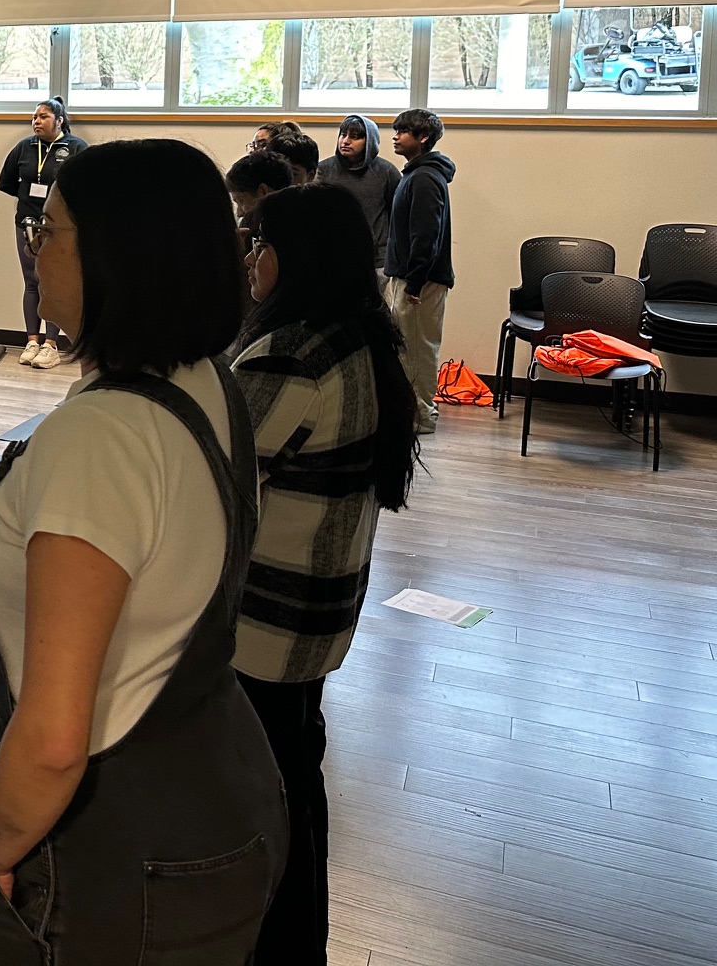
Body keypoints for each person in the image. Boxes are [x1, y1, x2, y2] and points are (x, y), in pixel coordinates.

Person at [0, 139, 285, 965]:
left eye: (53, 229)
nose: (36, 245)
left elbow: (55, 736)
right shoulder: (205, 377)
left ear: (120, 254)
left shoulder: (103, 437)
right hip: (226, 785)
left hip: (124, 842)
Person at [231, 184, 418, 966]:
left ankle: (273, 943)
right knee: (297, 774)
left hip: (265, 618)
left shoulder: (292, 357)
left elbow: (222, 481)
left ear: (291, 257)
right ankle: (300, 941)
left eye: (259, 243)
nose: (250, 259)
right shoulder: (365, 337)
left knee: (262, 792)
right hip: (323, 604)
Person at [0, 98, 86, 369]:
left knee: (53, 282)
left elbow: (85, 186)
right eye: (34, 117)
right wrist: (30, 201)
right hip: (26, 222)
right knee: (31, 281)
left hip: (58, 226)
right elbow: (6, 182)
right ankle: (32, 341)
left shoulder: (75, 148)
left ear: (59, 121)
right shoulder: (24, 147)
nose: (36, 121)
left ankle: (51, 345)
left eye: (43, 117)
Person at [383, 109, 456, 435]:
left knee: (417, 348)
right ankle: (411, 412)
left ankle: (422, 416)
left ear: (423, 137)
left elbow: (426, 233)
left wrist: (414, 280)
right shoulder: (415, 175)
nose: (395, 136)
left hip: (419, 281)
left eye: (403, 131)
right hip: (410, 277)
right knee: (407, 346)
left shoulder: (425, 178)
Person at [314, 114, 400, 269]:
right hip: (332, 257)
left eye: (355, 137)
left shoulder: (386, 171)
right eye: (343, 135)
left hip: (377, 260)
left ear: (369, 141)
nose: (346, 141)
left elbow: (398, 212)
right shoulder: (323, 170)